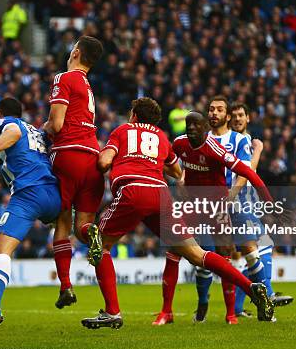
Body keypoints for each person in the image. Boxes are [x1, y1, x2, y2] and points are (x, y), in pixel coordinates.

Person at [81, 98, 274, 329]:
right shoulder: (164, 138)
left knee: (100, 245)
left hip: (137, 192)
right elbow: (175, 170)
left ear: (133, 115)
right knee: (195, 253)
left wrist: (120, 161)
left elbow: (103, 163)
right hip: (162, 196)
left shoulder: (122, 130)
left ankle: (112, 312)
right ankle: (251, 287)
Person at [153, 111, 279, 326]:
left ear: (205, 129)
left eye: (196, 125)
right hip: (191, 205)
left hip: (216, 207)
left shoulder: (215, 149)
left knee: (224, 255)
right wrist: (179, 178)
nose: (191, 128)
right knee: (173, 250)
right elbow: (161, 162)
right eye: (188, 124)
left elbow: (248, 172)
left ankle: (230, 314)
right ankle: (167, 311)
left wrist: (268, 200)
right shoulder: (180, 143)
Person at [0, 97, 61, 329]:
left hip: (29, 194)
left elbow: (12, 132)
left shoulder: (7, 123)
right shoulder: (36, 131)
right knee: (68, 230)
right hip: (53, 193)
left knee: (0, 247)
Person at [43, 36, 105, 309]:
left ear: (76, 53)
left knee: (62, 223)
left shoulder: (64, 78)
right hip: (92, 158)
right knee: (83, 227)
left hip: (68, 154)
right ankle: (93, 232)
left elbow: (56, 124)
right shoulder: (89, 87)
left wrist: (41, 128)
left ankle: (66, 285)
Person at [229, 103, 294, 318]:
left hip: (248, 202)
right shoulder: (240, 141)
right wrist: (258, 149)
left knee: (254, 254)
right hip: (238, 202)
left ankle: (239, 307)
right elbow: (249, 170)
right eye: (234, 115)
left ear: (248, 118)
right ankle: (269, 294)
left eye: (241, 115)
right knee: (260, 248)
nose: (238, 119)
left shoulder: (240, 140)